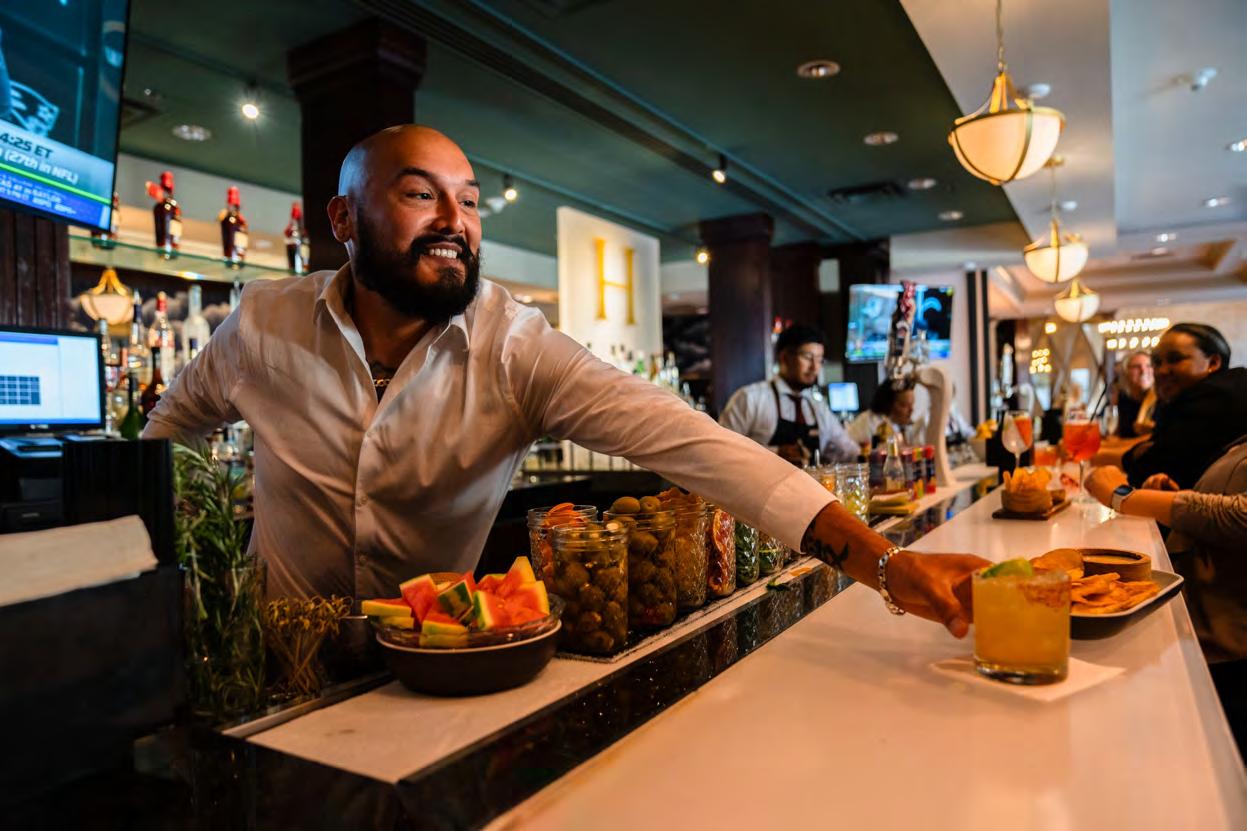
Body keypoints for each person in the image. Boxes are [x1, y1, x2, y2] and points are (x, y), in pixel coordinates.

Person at [144, 125, 987, 636]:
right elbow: (161, 441)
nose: (454, 222)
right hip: (267, 663)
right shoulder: (263, 326)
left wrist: (884, 565)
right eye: (420, 195)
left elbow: (696, 445)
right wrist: (181, 579)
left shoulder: (514, 350)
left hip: (434, 664)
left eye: (469, 201)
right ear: (343, 219)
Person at [1086, 436, 1247, 748]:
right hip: (1192, 631)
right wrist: (1171, 496)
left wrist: (1123, 496)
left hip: (1226, 663)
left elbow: (1239, 516)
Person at [1100, 323, 1247, 489]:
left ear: (1212, 362)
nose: (1161, 371)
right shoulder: (1186, 399)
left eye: (1175, 359)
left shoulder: (1218, 396)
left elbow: (1152, 466)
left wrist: (1137, 455)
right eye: (1157, 362)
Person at [718, 324, 858, 466]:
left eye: (819, 359)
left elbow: (848, 450)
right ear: (784, 358)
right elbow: (720, 450)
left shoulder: (817, 406)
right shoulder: (750, 398)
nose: (815, 367)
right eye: (808, 357)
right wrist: (776, 452)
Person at [846, 377, 925, 447]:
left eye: (912, 404)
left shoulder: (904, 426)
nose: (911, 410)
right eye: (904, 405)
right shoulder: (869, 424)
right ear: (889, 405)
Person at [1113, 350, 1155, 438]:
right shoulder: (1123, 396)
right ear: (1125, 372)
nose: (1143, 371)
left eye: (1149, 366)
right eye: (1136, 367)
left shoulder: (1162, 399)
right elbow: (1121, 431)